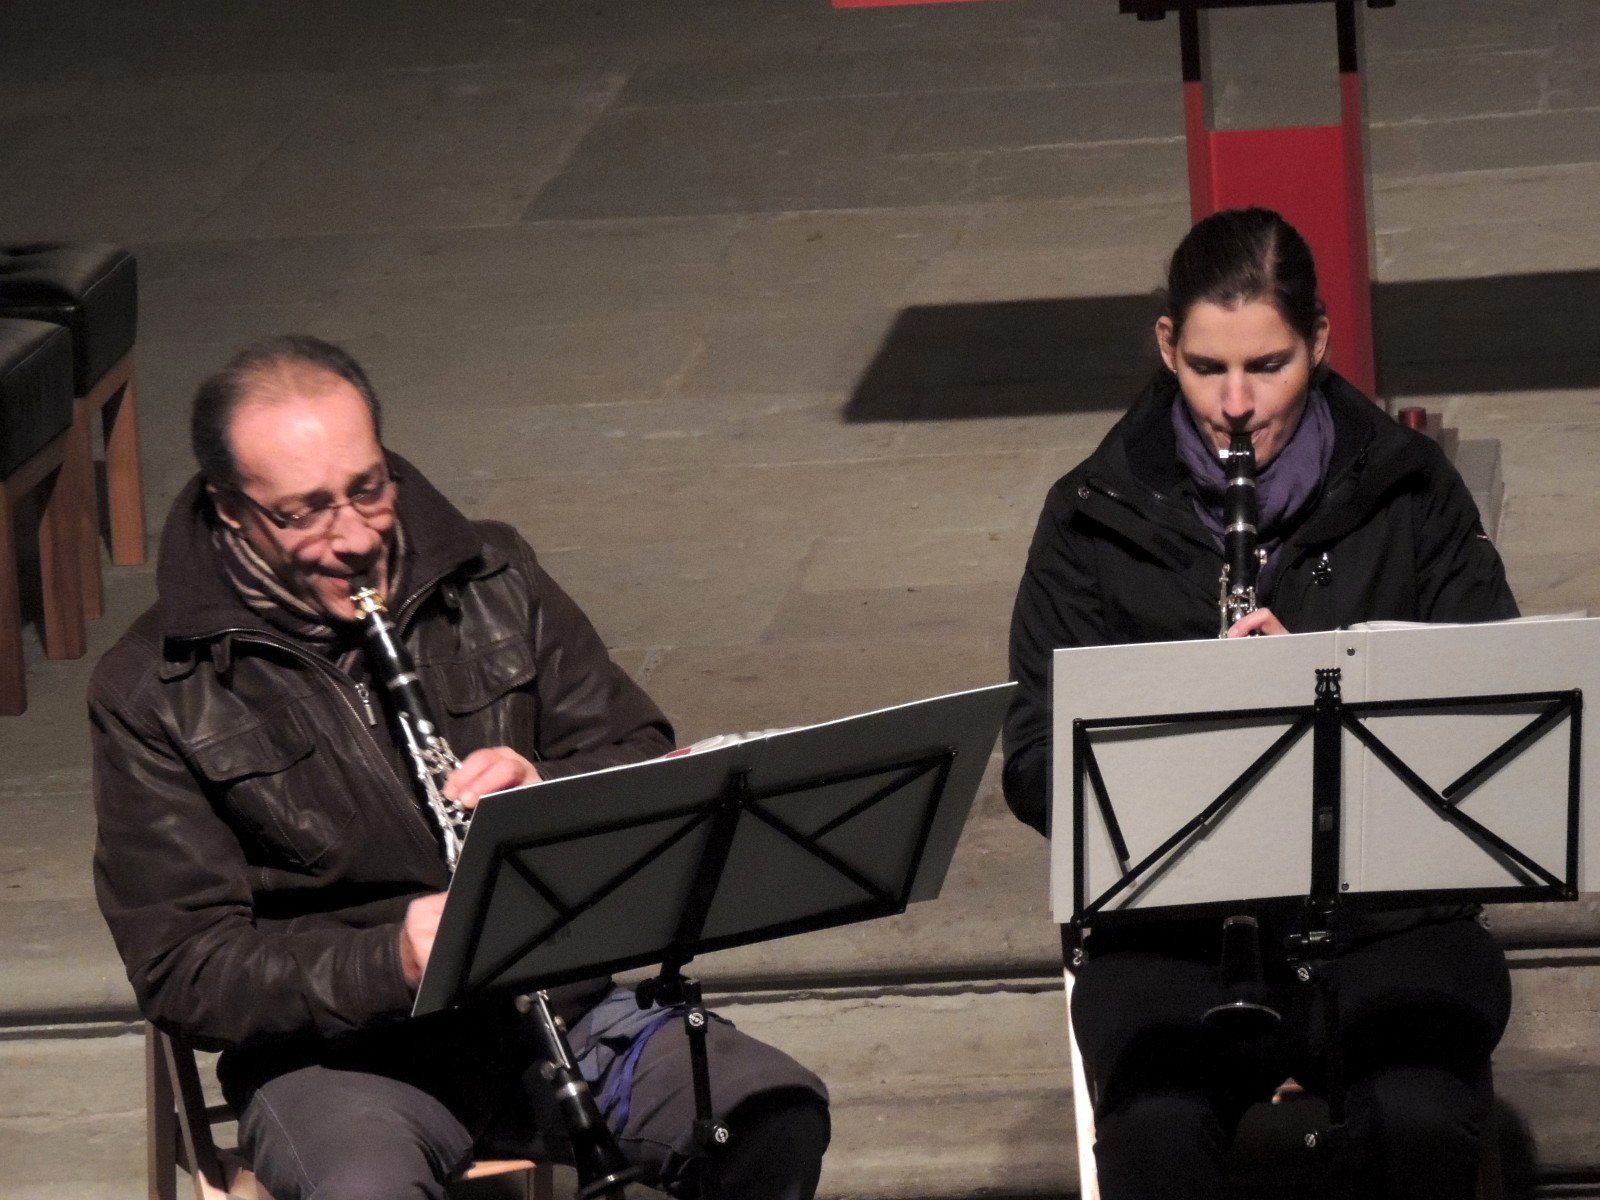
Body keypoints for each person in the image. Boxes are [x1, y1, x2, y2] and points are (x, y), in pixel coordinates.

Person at [91, 335, 830, 1200]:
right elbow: (185, 967)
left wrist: (548, 788)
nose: (353, 537)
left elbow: (640, 753)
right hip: (344, 1063)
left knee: (773, 1113)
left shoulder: (494, 577)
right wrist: (390, 961)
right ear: (232, 510)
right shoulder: (155, 690)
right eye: (305, 512)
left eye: (368, 488)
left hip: (562, 1013)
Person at [1002, 208, 1517, 1199]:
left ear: (1318, 341)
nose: (1235, 404)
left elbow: (1489, 701)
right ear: (1166, 346)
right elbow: (1034, 761)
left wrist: (1320, 683)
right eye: (1206, 369)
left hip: (1386, 922)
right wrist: (1201, 723)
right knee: (1155, 1136)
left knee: (1418, 1122)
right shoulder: (1091, 516)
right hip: (1180, 932)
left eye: (1268, 366)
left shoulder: (1408, 490)